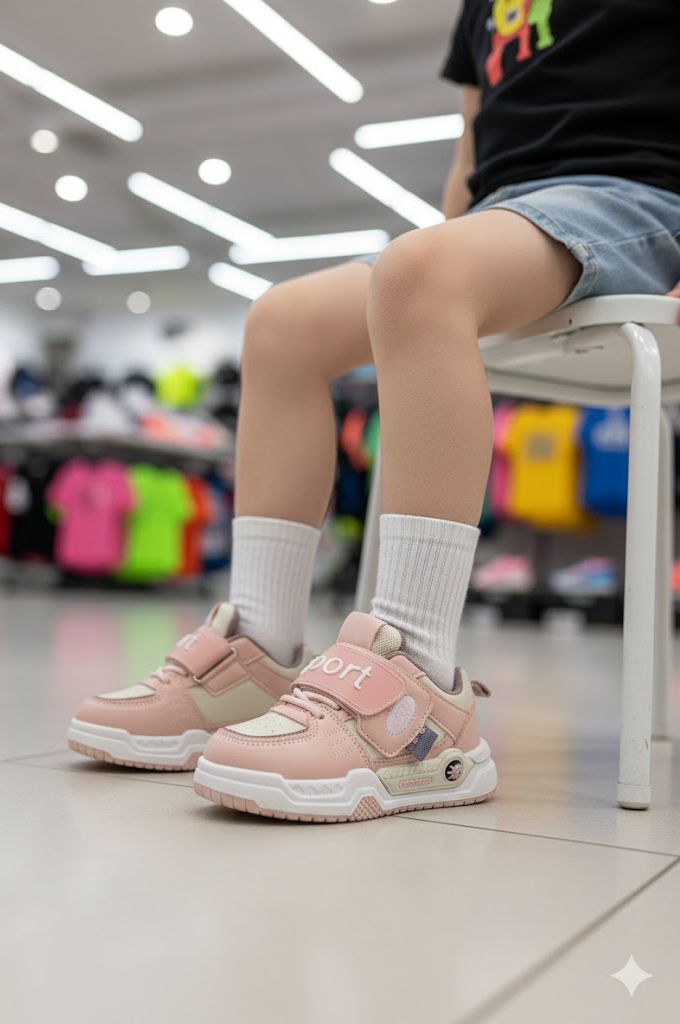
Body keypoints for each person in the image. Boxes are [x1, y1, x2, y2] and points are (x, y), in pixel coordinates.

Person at [68, 0, 680, 822]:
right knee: (282, 322)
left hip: (639, 202)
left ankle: (418, 685)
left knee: (420, 271)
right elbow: (472, 152)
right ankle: (257, 656)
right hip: (512, 214)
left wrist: (431, 273)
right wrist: (438, 266)